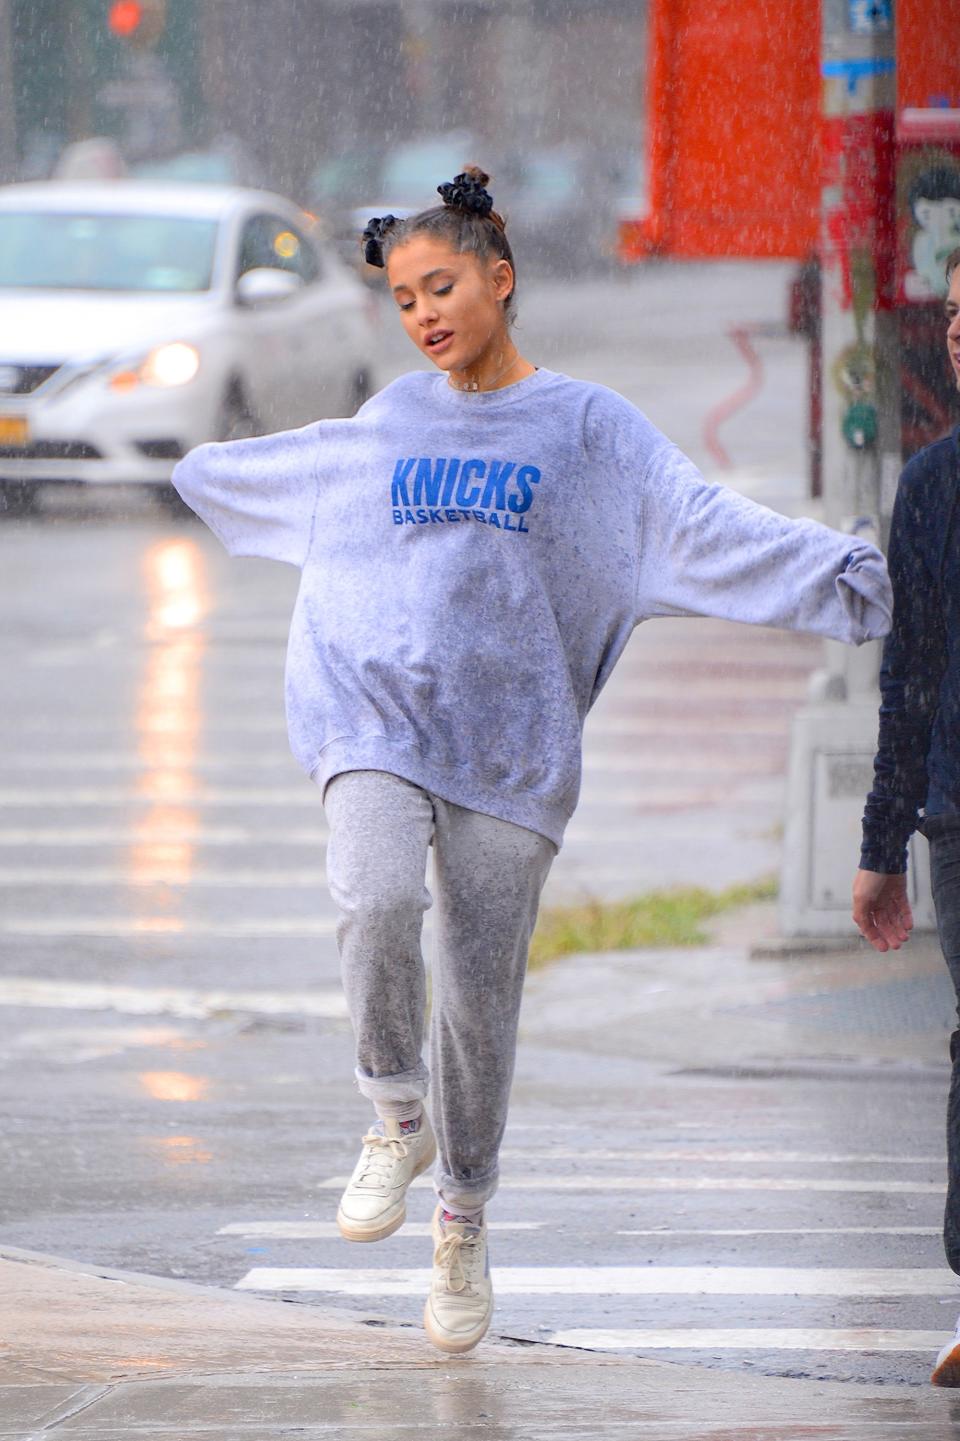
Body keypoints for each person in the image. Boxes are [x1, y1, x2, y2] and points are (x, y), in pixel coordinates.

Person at [174, 166, 892, 1355]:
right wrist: (200, 470)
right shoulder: (391, 421)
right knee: (373, 896)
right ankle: (391, 1111)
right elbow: (289, 476)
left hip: (513, 751)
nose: (424, 318)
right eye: (403, 300)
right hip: (378, 724)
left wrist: (844, 573)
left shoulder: (589, 428)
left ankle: (462, 1208)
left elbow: (695, 524)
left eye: (441, 288)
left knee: (481, 1002)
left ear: (501, 280)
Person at [853, 245, 960, 1388]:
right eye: (957, 310)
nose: (959, 332)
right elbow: (910, 674)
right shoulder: (932, 486)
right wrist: (883, 845)